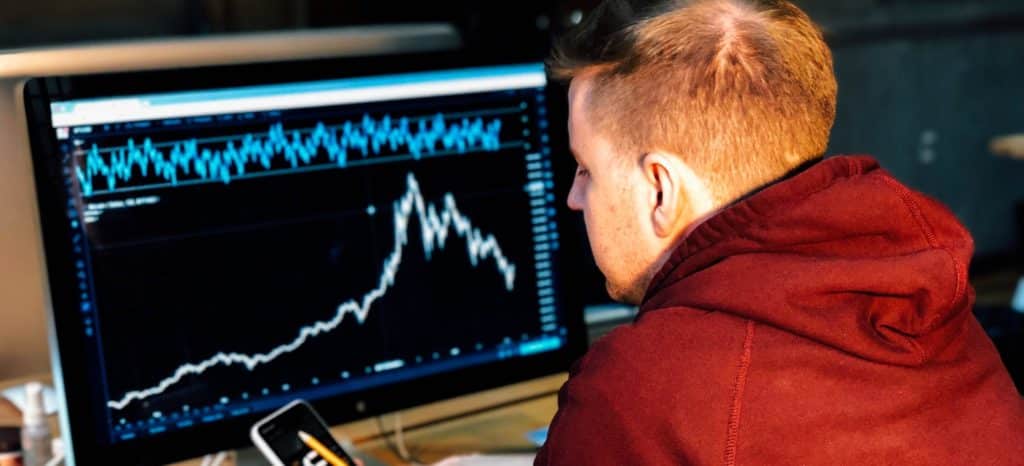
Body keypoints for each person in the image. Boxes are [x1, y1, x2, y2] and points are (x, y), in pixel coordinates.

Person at [535, 0, 1024, 464]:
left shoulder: (642, 393)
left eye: (585, 169)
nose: (574, 198)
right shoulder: (938, 313)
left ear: (660, 190)